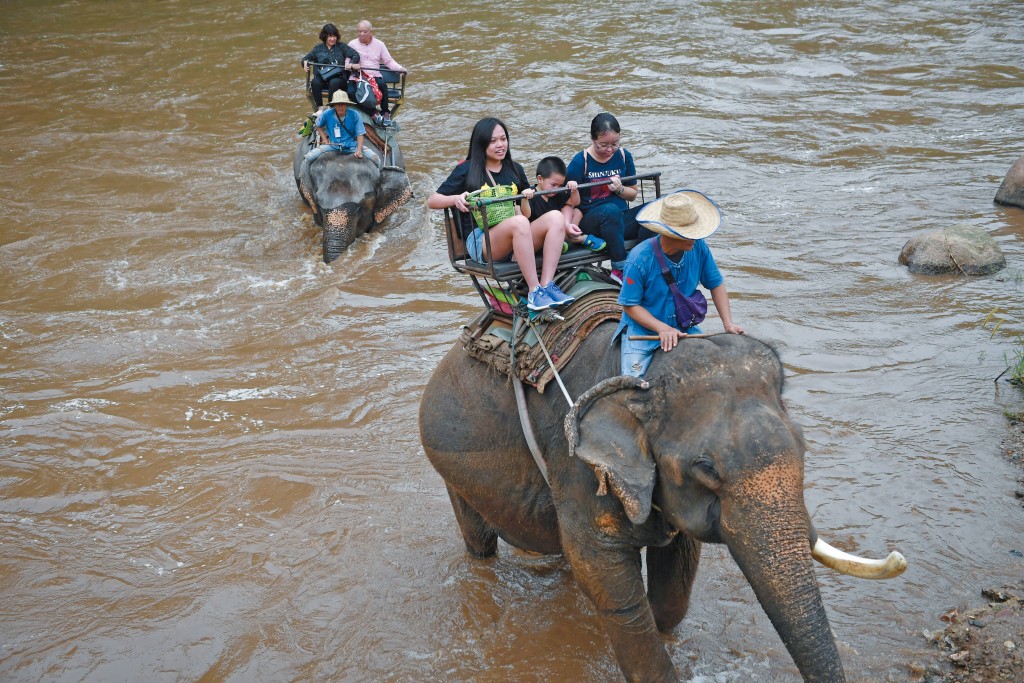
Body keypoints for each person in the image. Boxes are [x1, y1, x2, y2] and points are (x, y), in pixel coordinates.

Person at [427, 118, 577, 312]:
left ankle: (547, 285)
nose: (500, 145)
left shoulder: (515, 169)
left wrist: (526, 199)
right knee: (519, 222)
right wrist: (456, 198)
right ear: (481, 143)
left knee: (556, 217)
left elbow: (527, 213)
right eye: (493, 141)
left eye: (503, 139)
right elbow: (433, 201)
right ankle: (534, 292)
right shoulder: (467, 169)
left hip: (517, 234)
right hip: (482, 242)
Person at [614, 191, 745, 377]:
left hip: (684, 327)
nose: (694, 237)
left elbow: (716, 284)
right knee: (633, 383)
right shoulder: (639, 259)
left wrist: (728, 323)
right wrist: (662, 328)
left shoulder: (699, 247)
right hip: (644, 332)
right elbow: (630, 305)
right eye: (688, 234)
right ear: (668, 234)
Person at [565, 113, 650, 283]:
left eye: (614, 144)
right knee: (610, 211)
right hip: (592, 223)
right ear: (592, 139)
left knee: (653, 210)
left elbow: (633, 194)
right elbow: (567, 201)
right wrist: (568, 225)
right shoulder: (581, 161)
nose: (609, 150)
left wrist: (620, 189)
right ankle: (619, 268)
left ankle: (640, 262)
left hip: (620, 220)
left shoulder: (624, 156)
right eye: (603, 145)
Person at [528, 157, 607, 253]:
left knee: (575, 211)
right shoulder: (531, 194)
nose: (556, 188)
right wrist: (525, 199)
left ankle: (566, 238)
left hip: (560, 229)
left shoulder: (556, 192)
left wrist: (574, 190)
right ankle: (579, 239)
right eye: (553, 185)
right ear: (540, 179)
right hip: (539, 236)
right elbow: (526, 215)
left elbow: (574, 202)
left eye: (560, 185)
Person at [347, 20, 406, 126]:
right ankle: (373, 113)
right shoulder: (352, 44)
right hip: (357, 76)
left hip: (374, 76)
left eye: (364, 32)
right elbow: (346, 64)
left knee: (382, 86)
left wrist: (400, 68)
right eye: (359, 31)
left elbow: (388, 61)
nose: (361, 34)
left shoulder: (379, 44)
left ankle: (385, 112)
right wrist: (352, 66)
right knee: (351, 92)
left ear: (371, 32)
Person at [303, 92, 376, 167]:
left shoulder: (355, 115)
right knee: (308, 158)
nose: (340, 107)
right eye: (338, 104)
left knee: (375, 159)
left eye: (343, 104)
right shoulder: (326, 114)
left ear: (347, 104)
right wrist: (324, 139)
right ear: (334, 105)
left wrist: (359, 150)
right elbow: (317, 125)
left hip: (351, 146)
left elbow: (360, 133)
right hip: (332, 146)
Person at [302, 23, 361, 112]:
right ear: (324, 37)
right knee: (315, 82)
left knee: (334, 82)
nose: (332, 39)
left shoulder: (341, 46)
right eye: (330, 36)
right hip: (324, 77)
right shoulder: (318, 48)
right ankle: (320, 109)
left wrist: (351, 64)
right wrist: (305, 63)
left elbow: (355, 55)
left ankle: (330, 108)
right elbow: (305, 59)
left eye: (334, 36)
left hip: (339, 78)